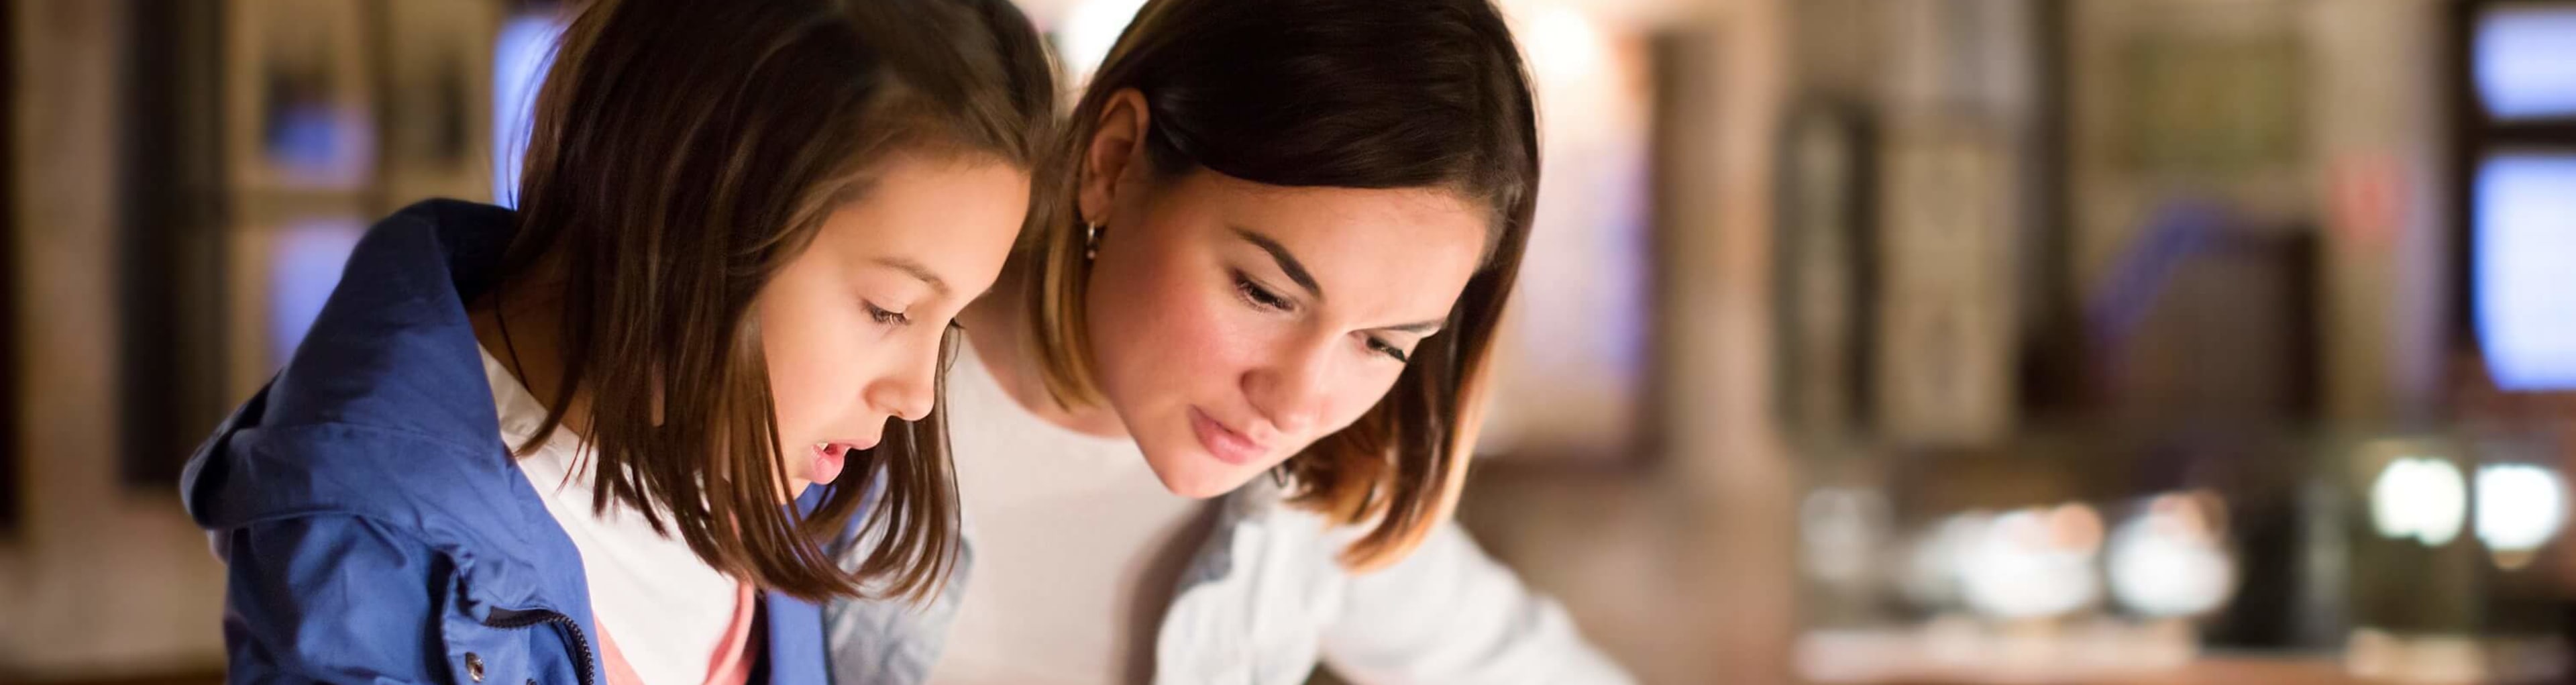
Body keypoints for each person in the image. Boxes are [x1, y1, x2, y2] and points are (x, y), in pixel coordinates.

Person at [179, 0, 1054, 682]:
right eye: (891, 309)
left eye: (951, 322)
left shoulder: (775, 463)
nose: (917, 396)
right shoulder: (370, 576)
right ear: (691, 211)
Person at [822, 0, 1635, 682]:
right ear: (1115, 161)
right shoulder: (827, 407)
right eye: (1265, 293)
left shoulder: (1317, 503)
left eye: (1384, 344)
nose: (1296, 401)